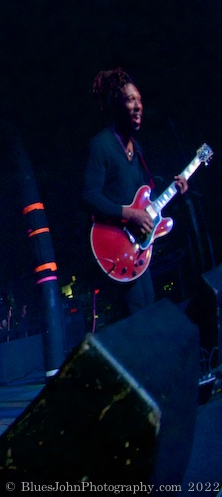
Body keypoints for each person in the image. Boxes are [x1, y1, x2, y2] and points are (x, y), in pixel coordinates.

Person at [82, 68, 187, 325]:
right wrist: (129, 215)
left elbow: (146, 202)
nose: (138, 106)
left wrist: (177, 191)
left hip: (138, 250)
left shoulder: (137, 150)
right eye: (131, 100)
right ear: (117, 105)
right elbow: (89, 196)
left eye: (140, 100)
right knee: (135, 319)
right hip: (115, 246)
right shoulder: (102, 145)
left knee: (149, 312)